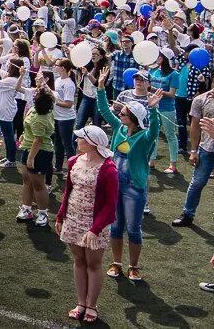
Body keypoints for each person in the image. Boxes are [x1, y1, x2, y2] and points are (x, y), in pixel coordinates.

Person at [96, 68, 162, 283]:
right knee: (116, 226)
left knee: (133, 229)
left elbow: (154, 131)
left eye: (123, 113)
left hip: (135, 187)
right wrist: (100, 89)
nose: (119, 115)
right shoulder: (118, 129)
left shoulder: (144, 137)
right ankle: (117, 263)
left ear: (133, 118)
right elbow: (105, 111)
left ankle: (134, 266)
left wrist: (152, 110)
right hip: (115, 185)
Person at [55, 125, 118, 324]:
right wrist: (60, 215)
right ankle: (81, 303)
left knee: (93, 264)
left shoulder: (109, 169)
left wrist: (95, 229)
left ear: (91, 143)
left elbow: (111, 205)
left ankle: (92, 305)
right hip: (73, 219)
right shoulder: (74, 161)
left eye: (80, 138)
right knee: (79, 261)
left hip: (94, 224)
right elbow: (68, 192)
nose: (76, 141)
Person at [174, 85, 214, 227]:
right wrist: (193, 151)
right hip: (207, 148)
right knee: (197, 183)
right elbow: (195, 126)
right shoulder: (200, 100)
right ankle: (187, 214)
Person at [16, 86, 54, 226]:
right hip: (28, 148)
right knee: (27, 180)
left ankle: (42, 213)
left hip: (39, 152)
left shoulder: (40, 119)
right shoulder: (36, 111)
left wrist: (31, 158)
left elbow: (38, 140)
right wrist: (23, 135)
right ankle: (26, 209)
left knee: (38, 184)